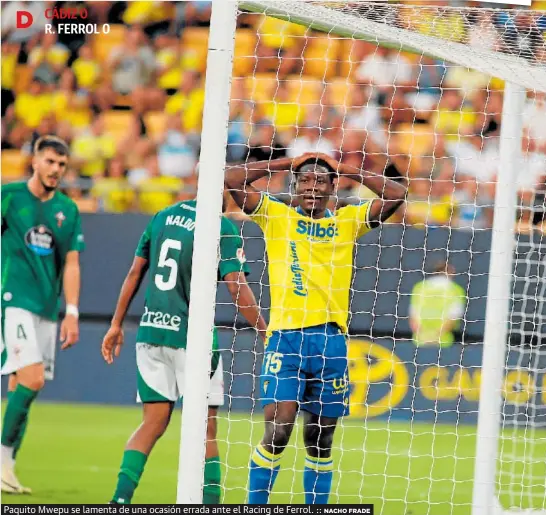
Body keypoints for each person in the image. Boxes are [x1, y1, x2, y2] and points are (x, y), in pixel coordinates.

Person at [224, 153, 407, 504]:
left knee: (320, 439)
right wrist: (289, 162)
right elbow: (233, 179)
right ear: (295, 186)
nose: (312, 188)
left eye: (320, 181)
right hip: (286, 339)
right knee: (279, 429)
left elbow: (396, 194)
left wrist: (345, 169)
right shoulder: (276, 215)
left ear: (332, 187)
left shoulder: (348, 220)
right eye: (305, 181)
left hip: (331, 341)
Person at [101, 192, 266, 505]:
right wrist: (264, 330)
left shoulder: (162, 216)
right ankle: (210, 503)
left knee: (152, 422)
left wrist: (115, 324)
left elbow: (135, 272)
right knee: (206, 429)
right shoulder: (222, 227)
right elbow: (235, 286)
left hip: (151, 332)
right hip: (193, 339)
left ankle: (119, 500)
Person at [1, 136, 84, 494]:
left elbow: (71, 262)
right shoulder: (9, 195)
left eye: (62, 165)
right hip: (14, 300)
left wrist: (72, 311)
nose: (56, 170)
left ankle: (8, 470)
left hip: (48, 309)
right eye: (50, 162)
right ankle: (2, 460)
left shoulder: (68, 209)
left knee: (24, 386)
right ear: (34, 161)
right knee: (32, 379)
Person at [409, 261, 466, 347]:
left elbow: (413, 316)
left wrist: (425, 337)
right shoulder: (456, 289)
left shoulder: (420, 287)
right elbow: (453, 318)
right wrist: (436, 337)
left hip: (419, 340)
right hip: (443, 341)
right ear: (450, 272)